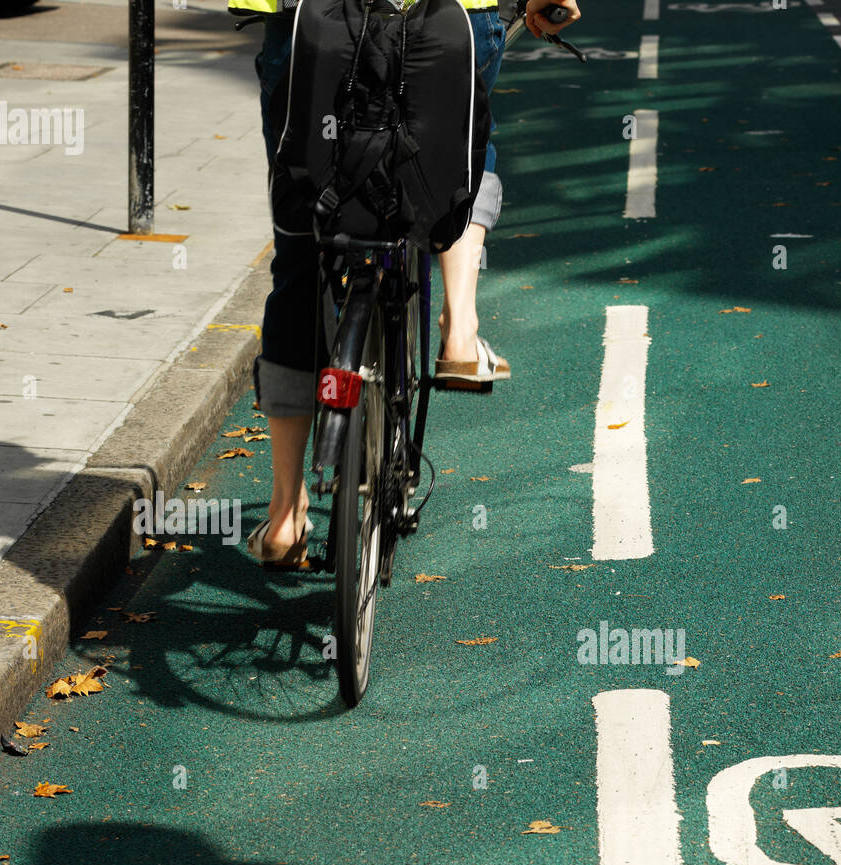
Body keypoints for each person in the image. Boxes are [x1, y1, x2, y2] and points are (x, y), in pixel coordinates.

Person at [233, 0, 581, 566]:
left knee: (303, 235)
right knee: (460, 160)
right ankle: (461, 331)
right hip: (450, 13)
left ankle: (284, 513)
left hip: (310, 19)